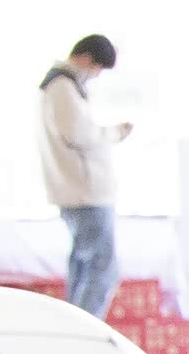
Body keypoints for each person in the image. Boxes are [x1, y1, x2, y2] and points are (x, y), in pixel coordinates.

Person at [37, 35, 130, 320]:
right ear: (88, 58)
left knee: (84, 267)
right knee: (101, 269)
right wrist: (114, 133)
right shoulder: (62, 86)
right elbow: (80, 134)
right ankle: (84, 330)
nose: (96, 75)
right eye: (98, 68)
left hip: (76, 190)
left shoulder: (58, 85)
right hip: (85, 191)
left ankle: (75, 329)